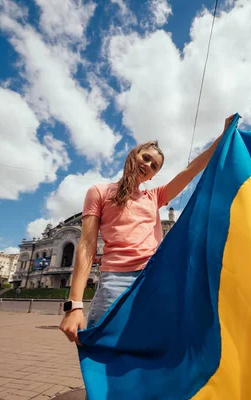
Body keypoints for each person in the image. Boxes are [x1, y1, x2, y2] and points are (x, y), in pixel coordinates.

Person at [60, 114, 237, 345]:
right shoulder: (99, 192)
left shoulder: (155, 196)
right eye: (146, 157)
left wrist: (222, 138)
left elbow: (191, 170)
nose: (148, 165)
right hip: (115, 280)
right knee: (101, 345)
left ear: (153, 175)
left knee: (154, 345)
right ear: (133, 154)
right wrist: (74, 305)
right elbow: (86, 245)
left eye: (154, 166)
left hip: (153, 278)